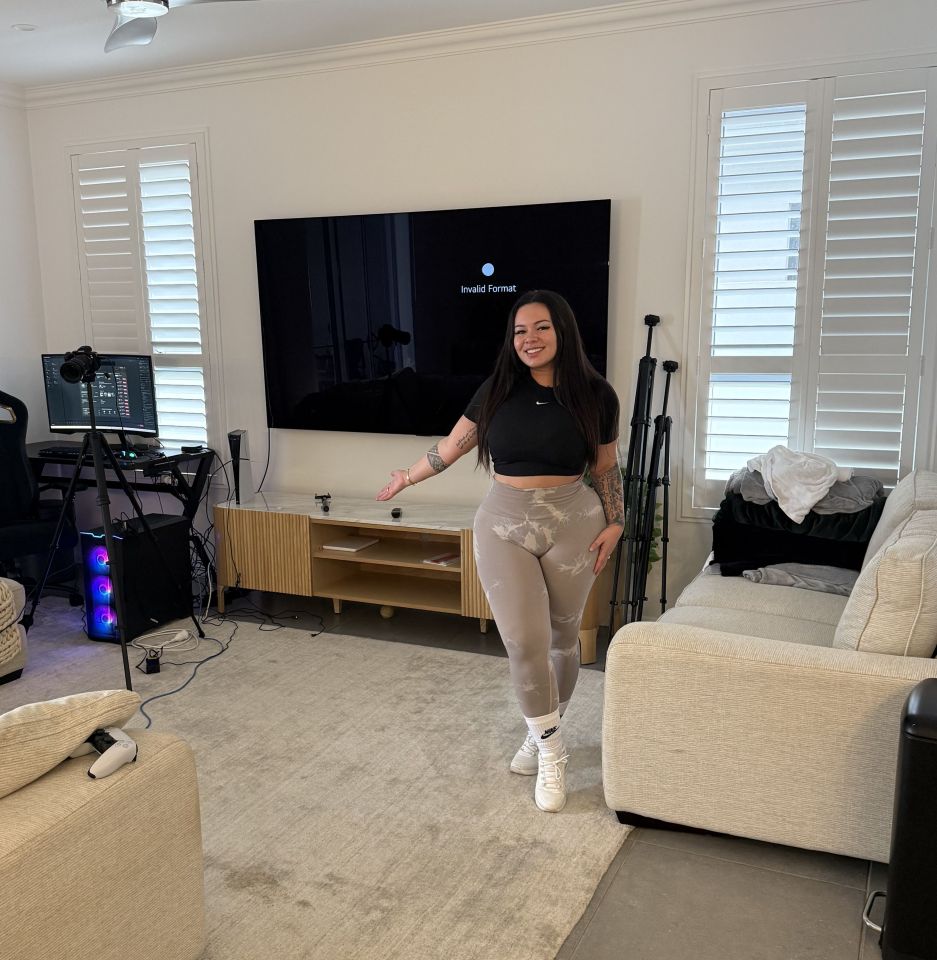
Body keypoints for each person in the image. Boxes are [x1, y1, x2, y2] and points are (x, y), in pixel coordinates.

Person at [376, 290, 623, 813]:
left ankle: (539, 733)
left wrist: (617, 522)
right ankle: (554, 751)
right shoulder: (495, 390)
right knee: (524, 643)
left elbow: (604, 467)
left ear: (563, 332)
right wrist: (407, 477)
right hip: (504, 522)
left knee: (562, 638)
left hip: (574, 523)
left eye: (540, 329)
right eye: (519, 332)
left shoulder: (597, 395)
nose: (529, 340)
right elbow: (451, 447)